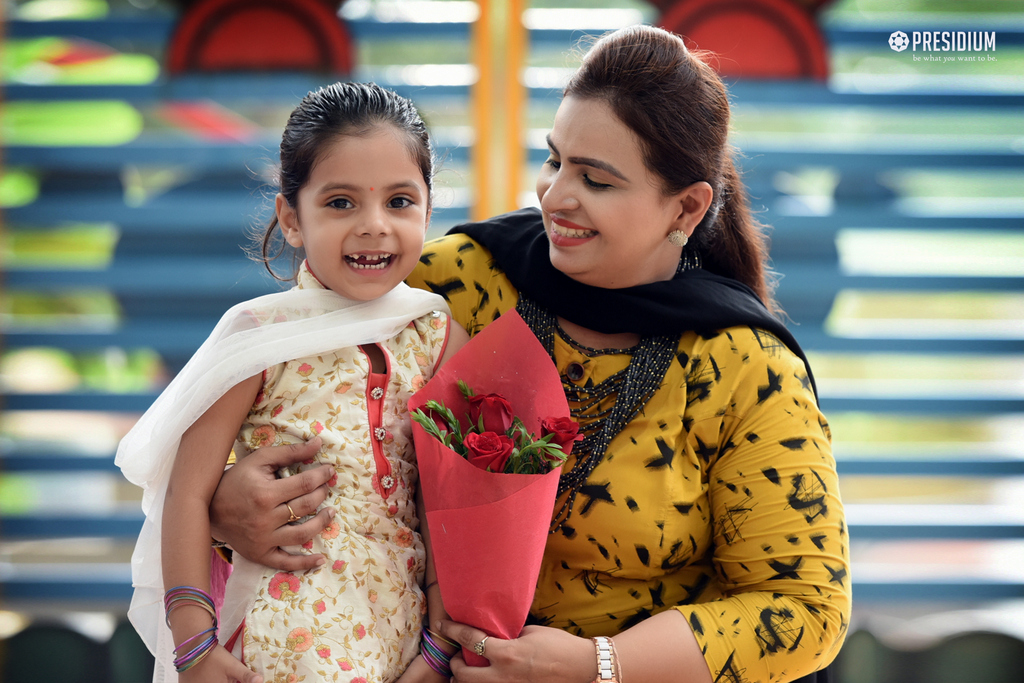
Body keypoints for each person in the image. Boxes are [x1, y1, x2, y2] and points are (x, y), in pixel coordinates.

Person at [207, 25, 851, 683]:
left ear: (685, 207)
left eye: (596, 180)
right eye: (555, 161)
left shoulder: (742, 366)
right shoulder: (457, 283)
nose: (555, 196)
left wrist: (601, 666)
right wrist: (223, 504)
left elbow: (805, 608)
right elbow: (287, 386)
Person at [116, 82, 469, 683]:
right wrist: (196, 651)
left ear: (429, 211)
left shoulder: (437, 334)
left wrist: (437, 653)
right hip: (284, 638)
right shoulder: (259, 335)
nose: (373, 226)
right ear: (291, 218)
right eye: (340, 203)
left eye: (400, 202)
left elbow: (451, 509)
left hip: (401, 639)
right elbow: (187, 496)